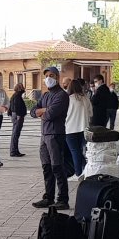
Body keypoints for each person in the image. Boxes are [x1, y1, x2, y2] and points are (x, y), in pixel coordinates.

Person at [31, 66, 70, 209]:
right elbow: (32, 111)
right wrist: (42, 110)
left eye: (52, 75)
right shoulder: (45, 95)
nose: (48, 78)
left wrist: (43, 112)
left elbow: (50, 115)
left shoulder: (61, 95)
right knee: (46, 168)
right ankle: (49, 197)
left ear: (57, 77)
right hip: (44, 136)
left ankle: (63, 199)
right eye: (46, 75)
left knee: (57, 167)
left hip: (55, 135)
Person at [64, 78, 92, 180]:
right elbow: (91, 113)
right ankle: (85, 170)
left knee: (74, 151)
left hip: (70, 129)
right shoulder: (85, 98)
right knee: (81, 151)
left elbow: (64, 115)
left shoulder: (68, 99)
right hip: (84, 128)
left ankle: (78, 173)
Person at [8, 83, 27, 157]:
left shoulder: (15, 95)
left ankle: (15, 150)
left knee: (15, 133)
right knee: (16, 134)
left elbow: (11, 106)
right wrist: (19, 115)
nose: (24, 88)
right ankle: (13, 151)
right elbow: (16, 107)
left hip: (15, 116)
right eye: (22, 87)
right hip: (18, 116)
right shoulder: (17, 96)